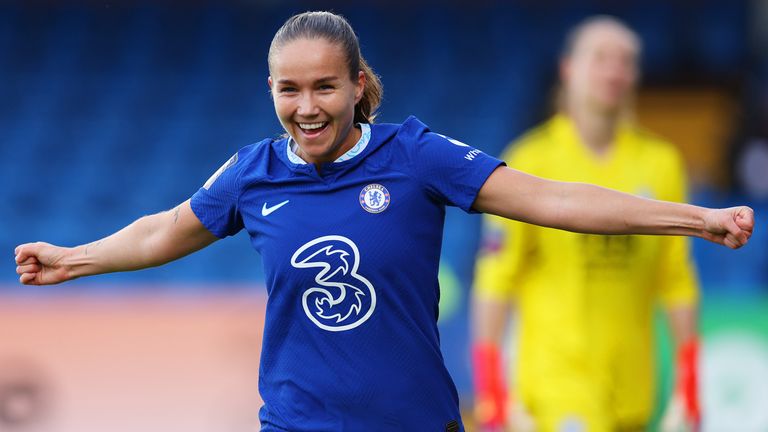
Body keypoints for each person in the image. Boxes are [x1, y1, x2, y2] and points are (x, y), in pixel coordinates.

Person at [14, 11, 752, 432]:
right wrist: (74, 258)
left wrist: (693, 218)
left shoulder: (417, 156)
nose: (307, 107)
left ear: (359, 85)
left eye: (325, 87)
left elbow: (554, 199)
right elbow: (162, 230)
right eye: (289, 89)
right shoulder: (253, 173)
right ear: (270, 89)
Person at [471, 16, 712, 432]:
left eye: (626, 61)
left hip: (634, 390)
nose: (614, 70)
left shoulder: (662, 164)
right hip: (557, 388)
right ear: (569, 69)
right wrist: (492, 391)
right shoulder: (529, 161)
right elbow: (496, 279)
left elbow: (675, 280)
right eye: (600, 58)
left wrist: (688, 388)